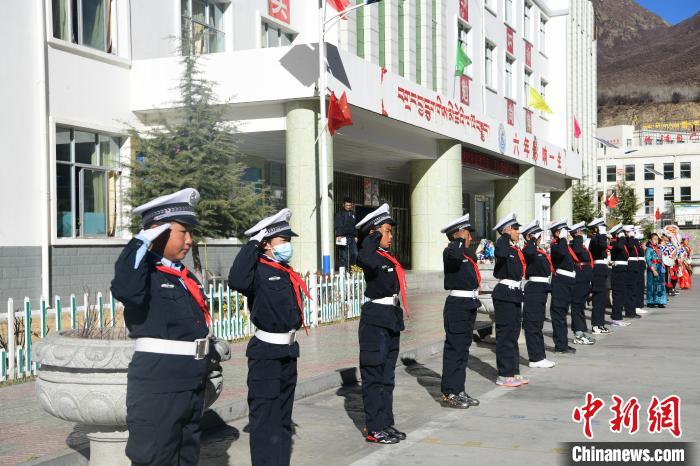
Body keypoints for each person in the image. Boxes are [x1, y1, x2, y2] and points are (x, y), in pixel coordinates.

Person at [111, 188, 230, 466]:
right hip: (159, 384)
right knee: (156, 458)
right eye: (182, 232)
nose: (189, 241)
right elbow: (125, 288)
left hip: (190, 381)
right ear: (158, 231)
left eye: (191, 233)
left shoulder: (180, 275)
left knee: (186, 457)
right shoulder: (144, 272)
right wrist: (140, 242)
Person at [228, 208, 310, 465]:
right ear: (266, 244)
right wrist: (253, 244)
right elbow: (236, 279)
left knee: (282, 419)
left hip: (288, 353)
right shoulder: (258, 270)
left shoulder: (284, 270)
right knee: (265, 421)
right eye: (283, 241)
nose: (288, 246)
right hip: (266, 354)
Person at [355, 203, 408, 444]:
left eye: (388, 231)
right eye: (386, 231)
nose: (390, 235)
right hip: (375, 319)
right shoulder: (371, 255)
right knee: (374, 376)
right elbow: (363, 257)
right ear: (374, 234)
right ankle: (374, 428)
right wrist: (373, 234)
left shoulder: (387, 257)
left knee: (387, 377)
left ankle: (386, 423)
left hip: (390, 317)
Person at [439, 213, 482, 408]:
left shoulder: (466, 254)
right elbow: (455, 256)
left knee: (463, 351)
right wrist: (458, 240)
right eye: (467, 234)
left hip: (468, 305)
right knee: (454, 350)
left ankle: (459, 389)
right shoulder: (450, 251)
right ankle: (449, 393)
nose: (471, 238)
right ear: (458, 235)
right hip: (457, 305)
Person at [492, 213, 526, 387]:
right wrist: (504, 235)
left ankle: (513, 371)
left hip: (514, 293)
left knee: (513, 334)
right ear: (508, 230)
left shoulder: (514, 249)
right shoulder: (502, 245)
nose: (519, 232)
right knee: (505, 335)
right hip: (504, 293)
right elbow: (500, 253)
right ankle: (504, 374)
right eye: (516, 229)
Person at [520, 220, 556, 369]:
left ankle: (539, 356)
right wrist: (532, 240)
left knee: (538, 324)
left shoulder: (538, 251)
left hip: (540, 289)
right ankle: (535, 357)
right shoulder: (529, 250)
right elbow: (528, 252)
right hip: (534, 289)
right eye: (537, 236)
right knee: (533, 324)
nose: (539, 239)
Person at [549, 219, 580, 354]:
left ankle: (563, 343)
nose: (566, 233)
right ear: (557, 232)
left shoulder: (563, 244)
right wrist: (561, 238)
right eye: (563, 231)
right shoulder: (556, 245)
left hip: (568, 281)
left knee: (563, 314)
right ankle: (560, 345)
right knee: (559, 314)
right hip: (560, 282)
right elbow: (561, 253)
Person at [568, 222, 596, 345]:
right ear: (576, 233)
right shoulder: (575, 244)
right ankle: (578, 332)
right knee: (577, 305)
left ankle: (580, 331)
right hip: (579, 279)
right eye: (580, 232)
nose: (582, 234)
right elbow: (578, 252)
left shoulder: (580, 245)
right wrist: (578, 238)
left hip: (585, 277)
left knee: (579, 305)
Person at [587, 218, 612, 335]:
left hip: (602, 268)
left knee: (602, 299)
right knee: (597, 299)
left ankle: (600, 324)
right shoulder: (594, 240)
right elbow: (602, 246)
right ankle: (595, 325)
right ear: (596, 229)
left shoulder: (598, 238)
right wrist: (602, 234)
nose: (604, 230)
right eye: (601, 227)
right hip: (597, 270)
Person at [609, 224, 632, 327]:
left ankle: (618, 317)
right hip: (618, 269)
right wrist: (621, 237)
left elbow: (630, 247)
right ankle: (616, 319)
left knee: (621, 294)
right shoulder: (615, 243)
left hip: (622, 269)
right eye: (622, 233)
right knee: (618, 295)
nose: (625, 235)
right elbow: (619, 247)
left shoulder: (620, 242)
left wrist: (628, 236)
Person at [622, 225, 642, 320]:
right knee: (630, 290)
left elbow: (637, 249)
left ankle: (632, 310)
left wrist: (634, 237)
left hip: (635, 265)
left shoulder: (632, 239)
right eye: (631, 231)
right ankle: (629, 312)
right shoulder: (626, 240)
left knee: (634, 290)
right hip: (630, 265)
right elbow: (630, 247)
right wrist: (630, 237)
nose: (633, 233)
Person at [627, 226, 648, 315]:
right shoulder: (631, 241)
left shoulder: (637, 242)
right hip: (636, 265)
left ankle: (638, 305)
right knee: (636, 287)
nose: (640, 233)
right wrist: (633, 237)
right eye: (638, 231)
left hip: (640, 265)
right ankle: (636, 306)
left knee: (640, 287)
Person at [335, 197, 358, 270]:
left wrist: (356, 236)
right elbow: (337, 225)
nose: (348, 207)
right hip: (342, 237)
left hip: (351, 237)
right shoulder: (339, 214)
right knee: (343, 255)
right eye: (347, 205)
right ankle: (343, 271)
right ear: (343, 205)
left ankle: (352, 269)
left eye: (350, 205)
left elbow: (355, 226)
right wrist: (338, 235)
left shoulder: (353, 214)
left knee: (355, 254)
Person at [645, 232, 667, 308]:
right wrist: (653, 270)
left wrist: (663, 267)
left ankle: (660, 301)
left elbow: (661, 258)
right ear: (650, 240)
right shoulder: (649, 249)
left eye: (657, 239)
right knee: (651, 285)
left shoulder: (658, 248)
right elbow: (648, 260)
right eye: (654, 239)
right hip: (653, 268)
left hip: (659, 267)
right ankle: (650, 301)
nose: (656, 241)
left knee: (660, 285)